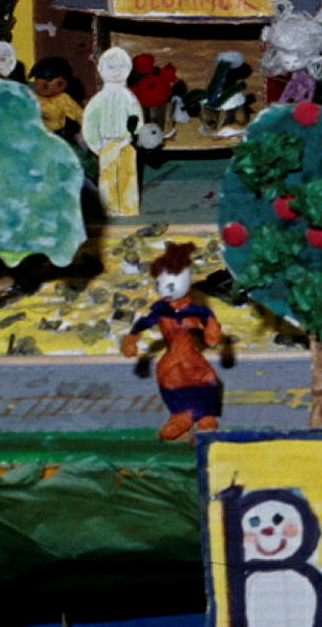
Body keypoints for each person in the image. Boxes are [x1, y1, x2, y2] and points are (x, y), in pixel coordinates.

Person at [122, 242, 226, 440]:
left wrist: (212, 330)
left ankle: (205, 421)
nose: (165, 292)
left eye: (170, 286)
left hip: (192, 359)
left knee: (203, 383)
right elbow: (144, 322)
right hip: (173, 359)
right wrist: (131, 338)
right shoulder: (161, 310)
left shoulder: (197, 310)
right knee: (171, 380)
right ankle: (181, 416)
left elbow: (210, 324)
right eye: (159, 286)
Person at [85, 46, 143, 217]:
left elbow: (137, 117)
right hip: (107, 143)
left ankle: (128, 208)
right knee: (107, 177)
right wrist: (96, 145)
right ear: (101, 69)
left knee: (128, 175)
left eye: (121, 67)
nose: (116, 72)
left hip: (126, 143)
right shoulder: (98, 100)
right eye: (111, 67)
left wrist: (132, 136)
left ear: (128, 69)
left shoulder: (128, 97)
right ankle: (109, 208)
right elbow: (90, 122)